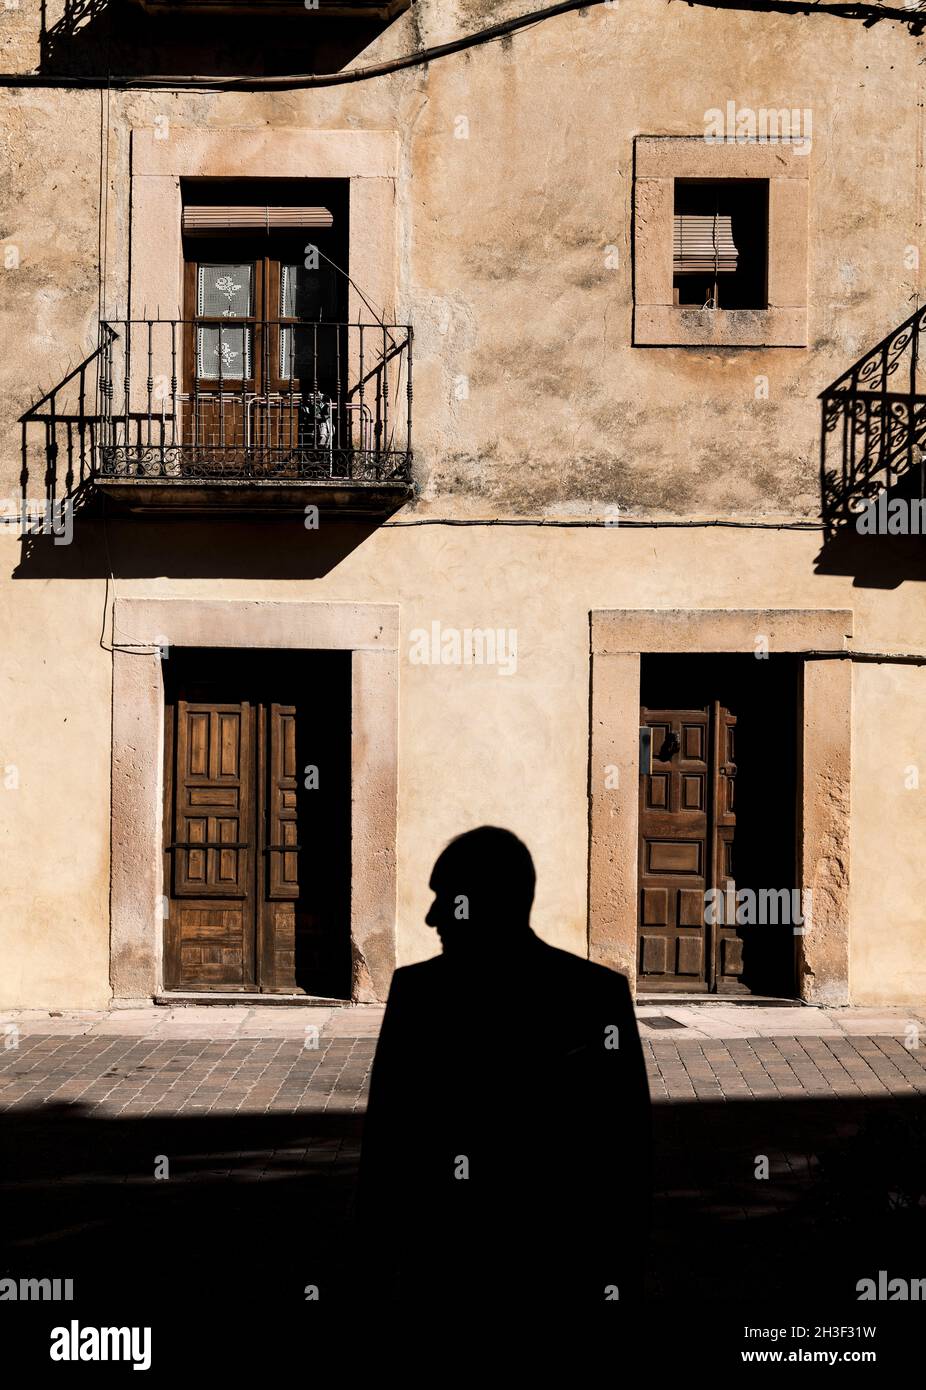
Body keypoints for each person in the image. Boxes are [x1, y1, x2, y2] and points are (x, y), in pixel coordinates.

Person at [357, 826, 652, 1307]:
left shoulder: (421, 997)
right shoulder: (595, 995)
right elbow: (628, 1160)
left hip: (467, 1271)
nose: (432, 916)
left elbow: (387, 1158)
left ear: (488, 901)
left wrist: (373, 1280)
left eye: (446, 898)